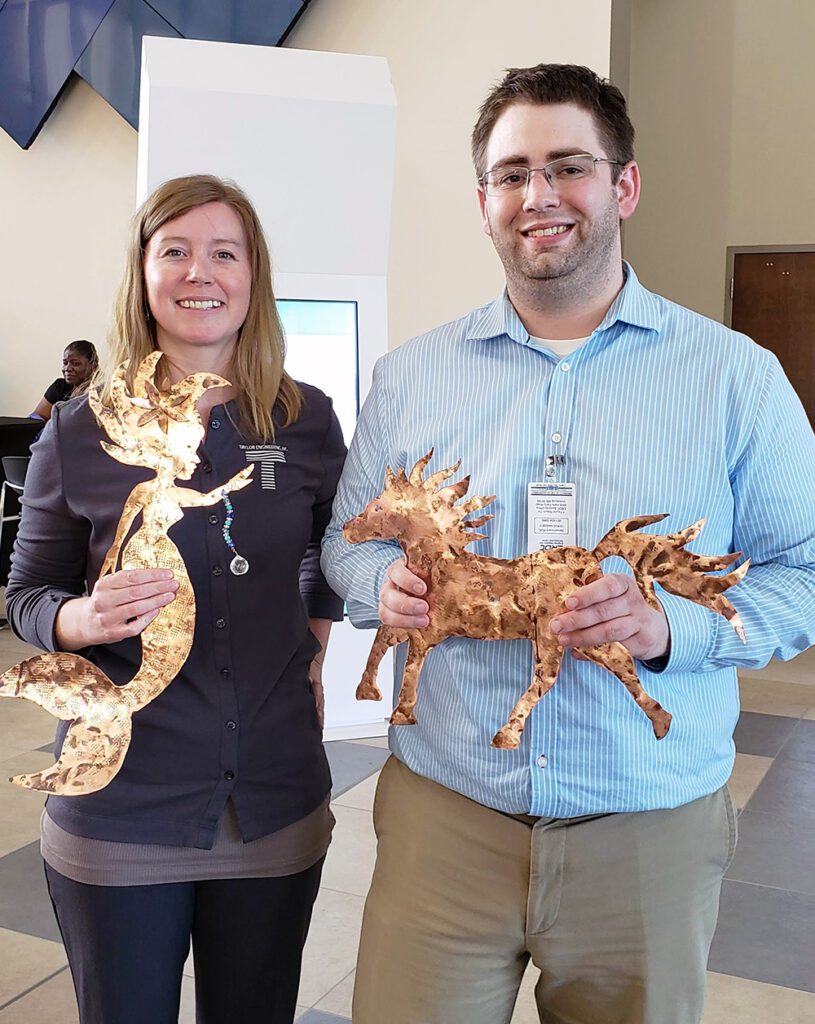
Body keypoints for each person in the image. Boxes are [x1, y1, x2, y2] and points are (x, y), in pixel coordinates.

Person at [320, 64, 815, 1024]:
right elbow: (350, 545)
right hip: (444, 819)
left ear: (622, 185)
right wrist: (380, 586)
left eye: (567, 167)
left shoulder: (735, 379)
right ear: (483, 203)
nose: (537, 195)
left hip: (646, 831)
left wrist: (669, 630)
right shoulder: (410, 376)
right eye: (511, 174)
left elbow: (803, 573)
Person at [6, 174, 345, 1024]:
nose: (201, 272)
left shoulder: (305, 420)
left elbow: (328, 550)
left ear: (253, 275)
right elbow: (26, 593)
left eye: (224, 252)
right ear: (144, 272)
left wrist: (311, 642)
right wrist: (78, 619)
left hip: (271, 795)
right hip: (121, 801)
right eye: (176, 251)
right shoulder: (79, 430)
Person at [31, 340, 98, 421]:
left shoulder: (100, 392)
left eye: (76, 363)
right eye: (65, 363)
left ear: (93, 366)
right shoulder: (60, 386)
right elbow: (37, 417)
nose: (67, 368)